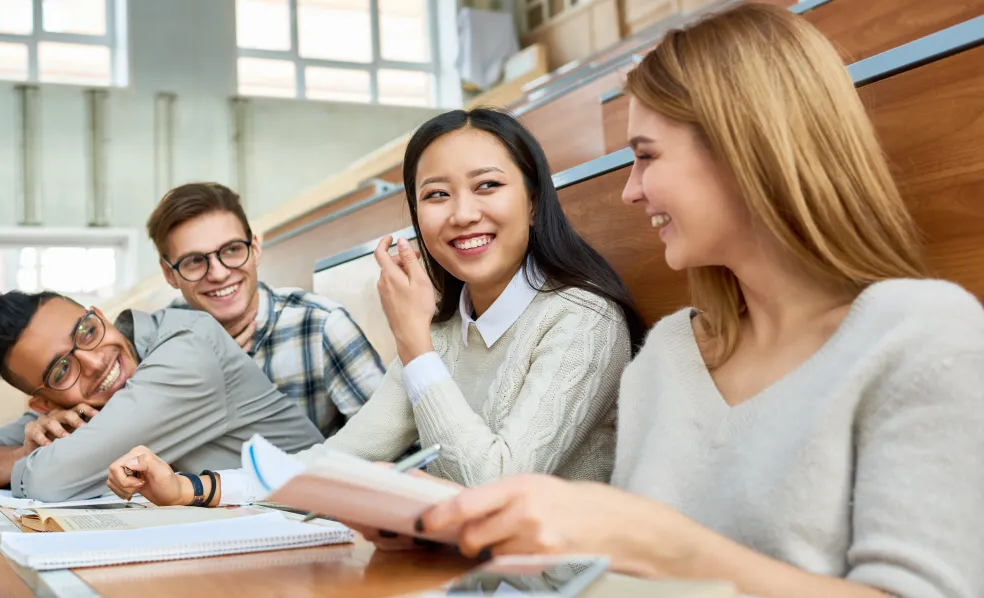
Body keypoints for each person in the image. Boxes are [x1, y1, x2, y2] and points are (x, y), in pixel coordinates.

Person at [413, 5, 984, 598]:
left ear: (744, 147)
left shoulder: (924, 336)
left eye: (647, 155)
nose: (631, 190)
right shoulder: (666, 354)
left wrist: (664, 546)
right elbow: (622, 580)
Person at [104, 108, 648, 506]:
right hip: (456, 574)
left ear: (532, 200)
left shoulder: (582, 320)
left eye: (487, 186)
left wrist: (413, 346)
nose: (461, 214)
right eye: (436, 195)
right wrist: (188, 488)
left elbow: (495, 487)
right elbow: (337, 460)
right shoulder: (440, 332)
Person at [0, 290, 324, 502]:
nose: (95, 361)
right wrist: (23, 452)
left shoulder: (188, 350)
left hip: (327, 524)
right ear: (45, 404)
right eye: (61, 370)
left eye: (87, 330)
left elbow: (51, 479)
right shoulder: (79, 405)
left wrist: (38, 459)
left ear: (100, 315)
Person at [148, 182, 386, 437]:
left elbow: (398, 448)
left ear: (255, 248)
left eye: (231, 250)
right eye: (194, 261)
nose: (218, 274)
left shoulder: (320, 327)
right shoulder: (159, 344)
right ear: (169, 274)